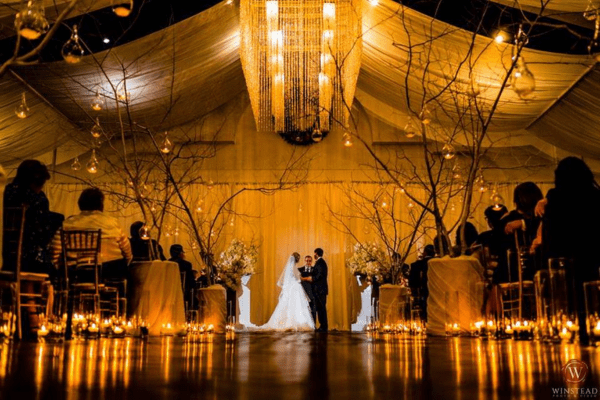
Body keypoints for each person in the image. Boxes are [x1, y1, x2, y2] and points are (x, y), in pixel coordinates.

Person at [541, 157, 600, 344]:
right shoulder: (596, 196)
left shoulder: (556, 197)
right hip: (590, 257)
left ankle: (571, 338)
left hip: (563, 259)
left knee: (567, 304)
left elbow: (550, 234)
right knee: (592, 300)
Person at [51, 188, 132, 281]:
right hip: (109, 270)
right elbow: (127, 251)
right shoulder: (112, 222)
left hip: (76, 272)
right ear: (101, 204)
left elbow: (54, 251)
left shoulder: (67, 224)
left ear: (80, 203)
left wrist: (59, 268)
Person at [3, 160, 63, 276]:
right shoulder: (38, 199)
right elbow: (41, 234)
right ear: (37, 182)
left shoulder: (5, 192)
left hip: (4, 254)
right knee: (57, 272)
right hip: (29, 259)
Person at [256, 252, 315, 331]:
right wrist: (305, 278)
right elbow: (298, 279)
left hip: (291, 288)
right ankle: (296, 322)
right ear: (297, 260)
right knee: (297, 305)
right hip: (295, 288)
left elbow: (289, 279)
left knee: (290, 304)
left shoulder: (290, 267)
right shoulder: (294, 267)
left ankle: (287, 321)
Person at [498, 182, 543, 282]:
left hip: (534, 267)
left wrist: (523, 223)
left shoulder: (539, 217)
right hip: (513, 270)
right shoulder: (508, 219)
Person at [302, 248, 328, 332]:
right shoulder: (320, 262)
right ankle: (322, 326)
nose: (314, 255)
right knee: (320, 308)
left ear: (316, 254)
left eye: (314, 254)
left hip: (321, 290)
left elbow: (318, 276)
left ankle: (323, 327)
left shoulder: (320, 263)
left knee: (321, 309)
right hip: (319, 290)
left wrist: (307, 278)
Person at [409, 244, 435, 321]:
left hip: (421, 295)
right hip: (435, 295)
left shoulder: (416, 265)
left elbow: (412, 283)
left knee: (423, 317)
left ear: (425, 253)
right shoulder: (438, 263)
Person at [298, 254, 316, 322]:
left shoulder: (314, 269)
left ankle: (313, 325)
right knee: (302, 309)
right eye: (307, 261)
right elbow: (298, 279)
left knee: (313, 309)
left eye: (310, 261)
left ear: (311, 261)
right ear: (304, 261)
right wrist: (307, 279)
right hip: (303, 292)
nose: (308, 262)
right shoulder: (299, 269)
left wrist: (303, 278)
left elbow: (313, 279)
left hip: (312, 292)